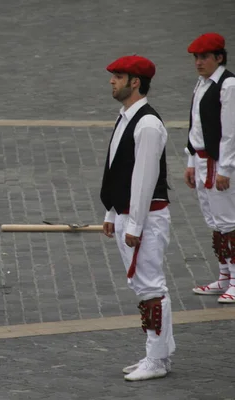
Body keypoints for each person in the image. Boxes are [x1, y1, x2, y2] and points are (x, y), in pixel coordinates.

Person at [101, 56, 175, 381]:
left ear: (135, 82)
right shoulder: (126, 117)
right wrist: (111, 211)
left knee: (151, 287)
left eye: (118, 76)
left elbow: (144, 179)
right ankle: (157, 353)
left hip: (144, 219)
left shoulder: (147, 124)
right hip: (128, 215)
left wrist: (133, 225)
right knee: (142, 286)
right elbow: (118, 171)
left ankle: (157, 360)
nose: (111, 81)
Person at [185, 33, 235, 303]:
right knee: (215, 222)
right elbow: (196, 126)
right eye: (196, 57)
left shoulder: (228, 85)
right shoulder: (202, 84)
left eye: (204, 57)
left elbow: (230, 132)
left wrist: (226, 169)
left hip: (220, 162)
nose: (198, 62)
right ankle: (225, 275)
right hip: (203, 160)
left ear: (219, 57)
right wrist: (191, 161)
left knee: (229, 222)